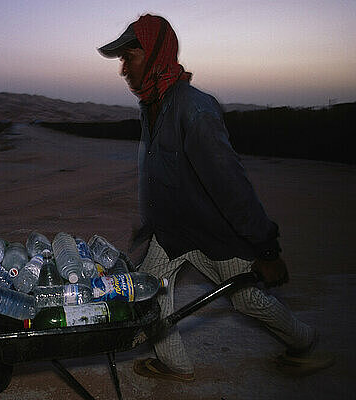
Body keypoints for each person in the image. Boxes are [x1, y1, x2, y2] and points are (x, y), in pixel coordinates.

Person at [98, 14, 334, 381]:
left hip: (214, 232)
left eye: (130, 57)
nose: (123, 69)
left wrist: (266, 249)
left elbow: (230, 184)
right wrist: (150, 225)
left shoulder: (194, 108)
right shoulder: (151, 106)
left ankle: (304, 344)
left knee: (248, 299)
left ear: (158, 54)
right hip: (173, 233)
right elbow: (163, 173)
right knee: (150, 291)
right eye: (122, 61)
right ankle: (175, 364)